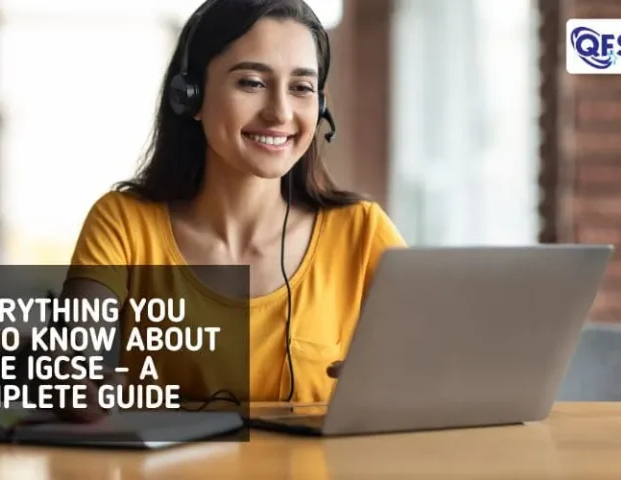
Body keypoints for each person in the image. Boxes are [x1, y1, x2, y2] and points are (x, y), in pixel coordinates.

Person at [58, 0, 407, 422]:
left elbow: (438, 362)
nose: (280, 112)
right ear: (191, 97)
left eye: (301, 88)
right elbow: (74, 377)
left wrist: (401, 386)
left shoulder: (361, 232)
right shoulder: (124, 222)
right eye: (252, 83)